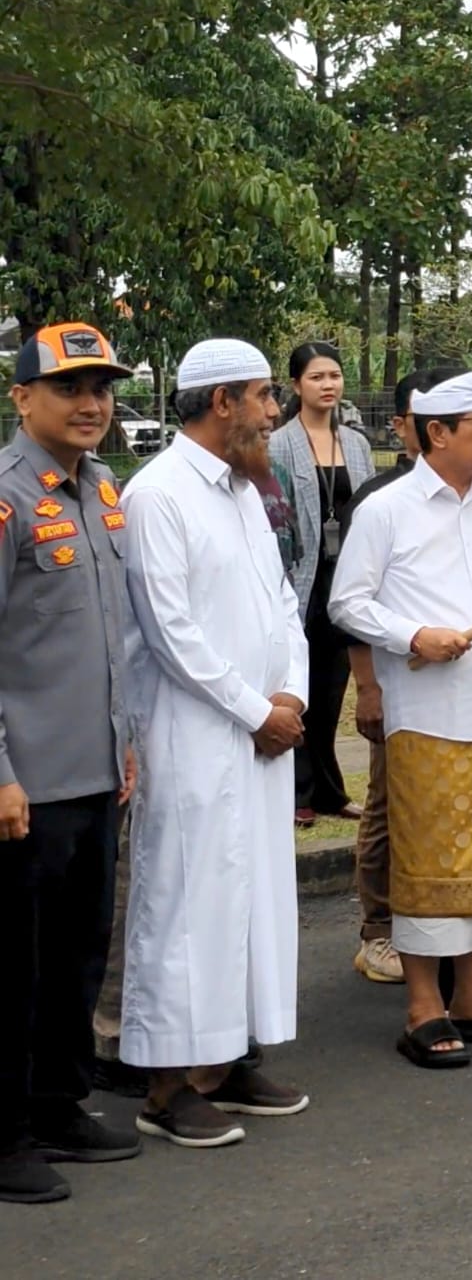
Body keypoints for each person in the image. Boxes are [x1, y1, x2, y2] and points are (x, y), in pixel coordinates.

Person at [328, 369, 472, 1069]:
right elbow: (347, 602)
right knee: (431, 862)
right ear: (437, 433)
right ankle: (424, 1006)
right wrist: (414, 636)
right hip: (427, 714)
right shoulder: (387, 509)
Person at [121, 339, 310, 1149]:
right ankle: (168, 1089)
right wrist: (254, 709)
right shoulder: (158, 493)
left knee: (252, 898)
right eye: (265, 396)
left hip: (261, 734)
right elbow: (170, 631)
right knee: (186, 905)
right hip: (194, 735)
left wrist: (292, 695)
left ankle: (228, 1061)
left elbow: (281, 604)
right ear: (223, 400)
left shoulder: (244, 490)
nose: (275, 412)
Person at [0, 322, 144, 1204]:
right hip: (25, 783)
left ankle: (58, 1103)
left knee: (76, 957)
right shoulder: (7, 497)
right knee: (12, 968)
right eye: (69, 388)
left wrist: (125, 741)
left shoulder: (102, 489)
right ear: (22, 398)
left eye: (102, 388)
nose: (91, 404)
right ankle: (5, 1135)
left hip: (94, 772)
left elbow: (110, 636)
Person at [338, 368, 447, 987]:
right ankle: (377, 930)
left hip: (456, 691)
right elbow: (351, 606)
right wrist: (369, 688)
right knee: (385, 804)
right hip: (396, 679)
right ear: (407, 426)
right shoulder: (379, 501)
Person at [269, 342, 374, 826]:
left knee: (334, 688)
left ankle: (331, 791)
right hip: (301, 579)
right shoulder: (279, 444)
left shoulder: (356, 443)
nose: (328, 385)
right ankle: (298, 792)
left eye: (334, 375)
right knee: (300, 685)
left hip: (345, 577)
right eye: (316, 377)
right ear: (296, 384)